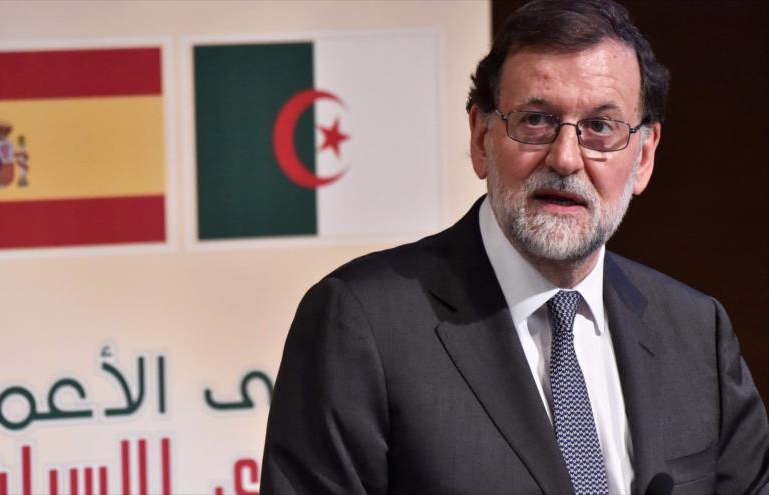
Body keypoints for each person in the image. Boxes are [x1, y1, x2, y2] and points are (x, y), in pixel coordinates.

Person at [260, 0, 769, 493]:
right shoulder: (363, 324)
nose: (566, 158)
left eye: (600, 127)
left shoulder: (696, 332)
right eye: (536, 120)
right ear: (481, 137)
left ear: (644, 157)